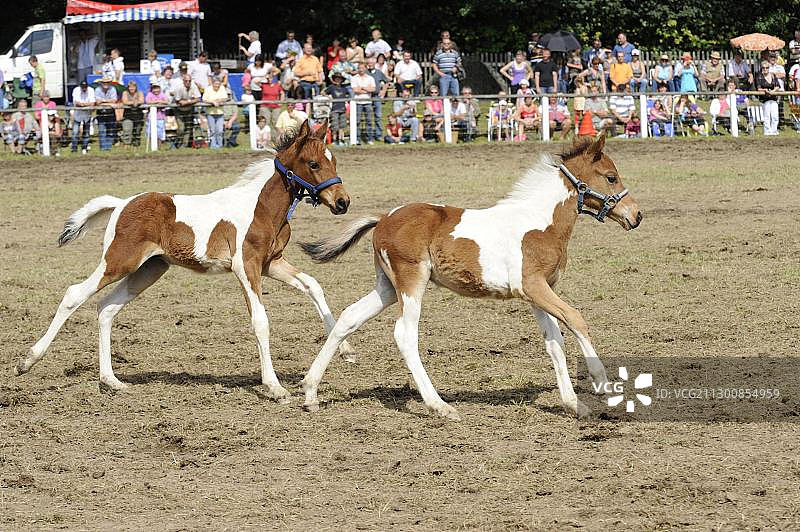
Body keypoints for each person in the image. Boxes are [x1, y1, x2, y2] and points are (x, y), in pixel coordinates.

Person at [350, 63, 376, 144]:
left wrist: (362, 87)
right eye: (359, 68)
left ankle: (369, 139)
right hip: (357, 102)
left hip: (368, 101)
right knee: (357, 121)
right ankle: (357, 139)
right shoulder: (354, 78)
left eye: (362, 68)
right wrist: (366, 89)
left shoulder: (370, 78)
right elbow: (355, 90)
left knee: (369, 121)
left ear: (365, 68)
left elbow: (373, 89)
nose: (361, 69)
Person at [173, 75, 201, 148]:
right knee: (181, 128)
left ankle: (184, 145)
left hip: (189, 109)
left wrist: (187, 102)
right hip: (178, 110)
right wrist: (191, 101)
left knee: (188, 128)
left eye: (189, 81)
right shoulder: (178, 87)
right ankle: (178, 142)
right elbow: (179, 101)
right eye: (186, 81)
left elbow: (198, 98)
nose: (188, 82)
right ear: (183, 81)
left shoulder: (194, 86)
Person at [366, 56, 388, 142]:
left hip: (376, 97)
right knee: (368, 117)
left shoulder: (379, 72)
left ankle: (378, 135)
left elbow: (386, 82)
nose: (370, 64)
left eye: (372, 63)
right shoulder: (365, 72)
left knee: (378, 116)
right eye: (369, 63)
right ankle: (369, 137)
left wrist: (383, 92)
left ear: (375, 63)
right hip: (367, 97)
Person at [325, 72, 350, 145]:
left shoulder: (344, 88)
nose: (338, 80)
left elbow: (348, 96)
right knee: (334, 125)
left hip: (342, 108)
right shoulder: (331, 87)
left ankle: (341, 139)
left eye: (339, 79)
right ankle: (335, 139)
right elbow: (324, 92)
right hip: (334, 109)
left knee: (342, 126)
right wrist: (328, 98)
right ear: (334, 79)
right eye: (336, 78)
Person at [755, 61, 780, 135]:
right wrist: (765, 90)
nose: (765, 69)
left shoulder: (773, 75)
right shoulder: (759, 76)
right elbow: (759, 88)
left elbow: (777, 86)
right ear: (761, 68)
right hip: (765, 99)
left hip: (773, 98)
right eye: (763, 68)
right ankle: (767, 131)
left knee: (775, 116)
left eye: (767, 67)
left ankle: (774, 130)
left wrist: (773, 91)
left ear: (769, 68)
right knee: (767, 116)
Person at [203, 77, 228, 148]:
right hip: (210, 113)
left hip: (220, 112)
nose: (217, 85)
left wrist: (219, 100)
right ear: (212, 83)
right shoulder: (208, 89)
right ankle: (213, 145)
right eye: (215, 83)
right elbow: (204, 99)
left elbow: (225, 98)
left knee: (220, 130)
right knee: (212, 130)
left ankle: (220, 145)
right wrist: (213, 102)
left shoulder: (222, 88)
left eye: (218, 84)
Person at [94, 77, 119, 150]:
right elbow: (97, 102)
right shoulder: (97, 90)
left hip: (110, 112)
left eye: (107, 82)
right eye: (104, 82)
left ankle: (109, 147)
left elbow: (114, 101)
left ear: (110, 83)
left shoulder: (113, 89)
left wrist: (103, 101)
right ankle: (103, 148)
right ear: (101, 83)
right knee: (102, 130)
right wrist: (109, 103)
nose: (106, 84)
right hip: (101, 112)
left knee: (111, 130)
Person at [71, 80, 95, 153]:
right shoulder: (76, 90)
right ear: (80, 86)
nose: (84, 89)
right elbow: (77, 103)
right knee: (75, 132)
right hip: (77, 114)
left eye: (85, 87)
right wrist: (86, 104)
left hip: (87, 115)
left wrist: (83, 104)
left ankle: (84, 147)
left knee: (86, 133)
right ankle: (74, 149)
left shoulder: (91, 90)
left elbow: (93, 103)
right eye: (83, 87)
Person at [120, 80, 145, 146]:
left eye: (133, 87)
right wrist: (134, 102)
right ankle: (127, 144)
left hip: (138, 114)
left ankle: (136, 145)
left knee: (137, 130)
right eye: (130, 87)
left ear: (136, 87)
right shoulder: (125, 93)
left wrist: (135, 102)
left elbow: (142, 101)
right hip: (128, 114)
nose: (132, 88)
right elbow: (125, 101)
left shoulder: (140, 92)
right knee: (127, 129)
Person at [145, 83, 168, 148]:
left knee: (159, 133)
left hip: (160, 117)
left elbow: (166, 101)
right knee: (150, 132)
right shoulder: (149, 94)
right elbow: (148, 101)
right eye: (154, 88)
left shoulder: (162, 94)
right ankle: (151, 146)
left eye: (157, 88)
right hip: (150, 117)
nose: (156, 90)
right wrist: (157, 102)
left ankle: (159, 146)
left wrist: (158, 101)